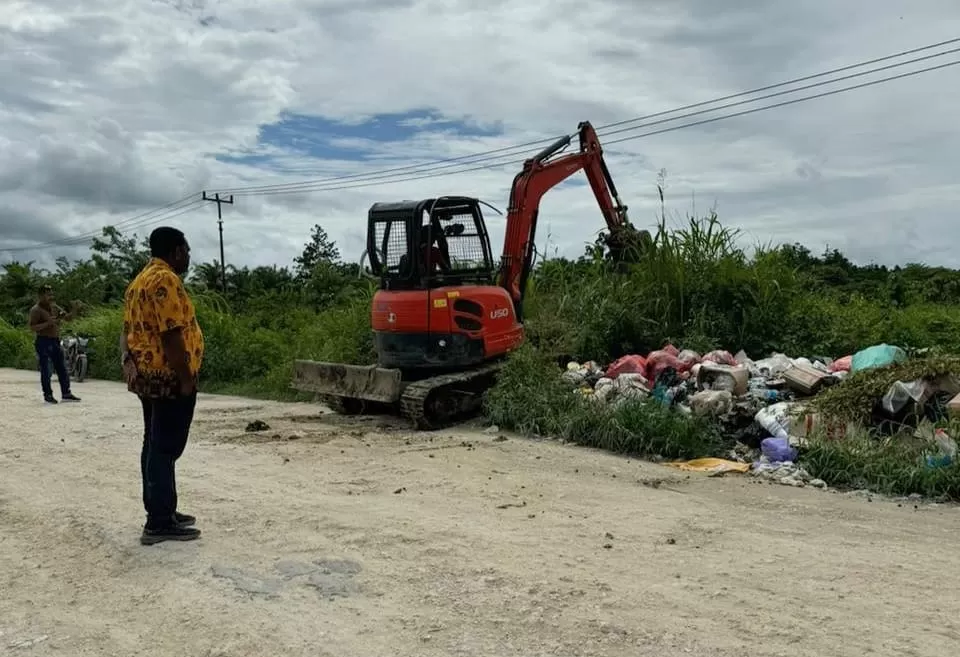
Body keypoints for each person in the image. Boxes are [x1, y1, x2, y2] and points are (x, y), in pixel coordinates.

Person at [121, 226, 204, 545]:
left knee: (154, 443)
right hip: (168, 377)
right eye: (187, 250)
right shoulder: (164, 280)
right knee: (165, 447)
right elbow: (171, 335)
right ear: (176, 251)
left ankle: (163, 510)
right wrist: (186, 379)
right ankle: (158, 521)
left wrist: (128, 363)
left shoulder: (139, 281)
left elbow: (126, 331)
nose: (189, 256)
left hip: (148, 377)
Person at [28, 285, 81, 404]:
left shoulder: (54, 307)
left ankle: (66, 393)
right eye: (48, 295)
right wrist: (48, 323)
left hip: (55, 341)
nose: (51, 297)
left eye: (51, 294)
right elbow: (32, 327)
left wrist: (74, 309)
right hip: (43, 341)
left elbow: (68, 318)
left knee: (62, 368)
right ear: (40, 296)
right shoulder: (36, 310)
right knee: (46, 370)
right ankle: (48, 395)